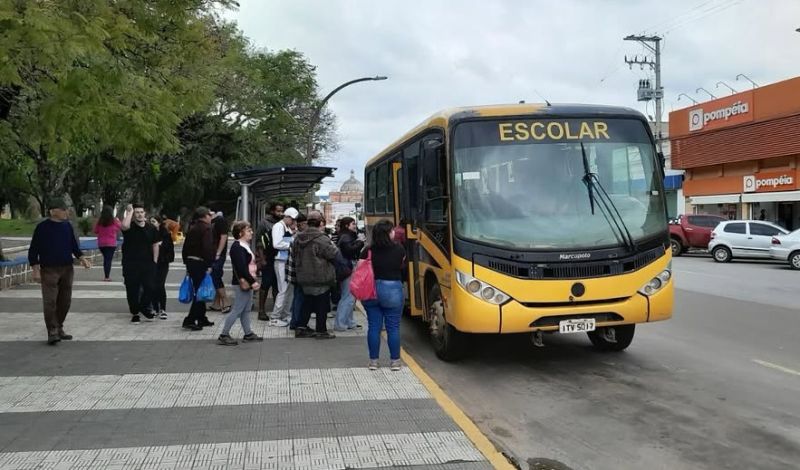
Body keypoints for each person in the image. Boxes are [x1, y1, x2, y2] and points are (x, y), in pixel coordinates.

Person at [28, 198, 92, 344]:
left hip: (67, 269)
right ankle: (52, 331)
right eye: (63, 209)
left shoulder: (67, 226)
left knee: (65, 301)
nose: (66, 212)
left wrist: (82, 259)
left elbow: (74, 246)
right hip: (49, 269)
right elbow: (33, 250)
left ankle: (59, 326)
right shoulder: (42, 228)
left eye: (66, 209)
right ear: (53, 211)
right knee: (50, 301)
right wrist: (35, 270)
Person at [361, 219, 407, 371]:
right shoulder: (399, 249)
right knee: (393, 328)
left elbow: (360, 271)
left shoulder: (367, 250)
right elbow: (402, 268)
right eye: (392, 230)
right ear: (389, 233)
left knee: (374, 327)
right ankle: (395, 362)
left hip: (370, 290)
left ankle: (373, 362)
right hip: (392, 289)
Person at [218, 221, 264, 345]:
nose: (252, 232)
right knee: (238, 309)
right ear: (240, 233)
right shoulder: (238, 247)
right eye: (248, 230)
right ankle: (224, 334)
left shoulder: (243, 245)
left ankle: (248, 333)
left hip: (246, 281)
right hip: (242, 282)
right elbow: (241, 268)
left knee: (246, 309)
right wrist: (252, 281)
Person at [294, 211, 338, 339]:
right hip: (321, 276)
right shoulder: (322, 239)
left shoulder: (298, 238)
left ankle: (301, 327)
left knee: (307, 303)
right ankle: (321, 330)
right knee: (322, 305)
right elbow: (333, 254)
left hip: (303, 276)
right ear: (320, 223)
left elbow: (294, 254)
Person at [120, 204, 160, 324]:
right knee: (132, 289)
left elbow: (155, 244)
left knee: (150, 287)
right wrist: (129, 212)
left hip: (147, 263)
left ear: (145, 214)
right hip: (130, 263)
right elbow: (124, 225)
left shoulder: (151, 228)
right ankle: (135, 313)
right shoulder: (129, 227)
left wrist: (155, 261)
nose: (139, 214)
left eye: (141, 212)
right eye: (137, 212)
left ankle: (143, 306)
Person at [182, 206, 216, 330]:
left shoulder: (193, 227)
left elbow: (185, 247)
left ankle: (201, 318)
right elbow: (207, 248)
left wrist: (186, 261)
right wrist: (210, 263)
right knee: (200, 291)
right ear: (205, 216)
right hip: (200, 262)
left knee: (199, 289)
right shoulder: (206, 228)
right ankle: (190, 319)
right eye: (210, 215)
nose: (211, 217)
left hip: (191, 261)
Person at [269, 206, 299, 327]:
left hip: (286, 260)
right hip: (281, 261)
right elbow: (276, 244)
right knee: (283, 289)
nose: (294, 222)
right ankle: (275, 317)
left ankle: (285, 314)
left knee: (289, 290)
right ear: (287, 217)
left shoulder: (285, 227)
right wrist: (291, 244)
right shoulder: (278, 226)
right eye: (293, 220)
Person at [334, 217, 364, 332]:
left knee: (350, 296)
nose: (355, 225)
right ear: (347, 225)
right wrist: (360, 242)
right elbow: (349, 251)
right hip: (347, 267)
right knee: (348, 296)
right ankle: (340, 323)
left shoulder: (345, 236)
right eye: (352, 224)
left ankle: (349, 321)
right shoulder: (346, 237)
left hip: (346, 267)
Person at [255, 202, 283, 320]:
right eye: (278, 211)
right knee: (266, 284)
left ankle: (277, 311)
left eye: (282, 211)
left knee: (278, 285)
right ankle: (261, 310)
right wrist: (262, 258)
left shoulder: (282, 223)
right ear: (272, 211)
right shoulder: (264, 223)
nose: (280, 213)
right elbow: (259, 242)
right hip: (268, 257)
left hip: (280, 257)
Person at [286, 212, 308, 330]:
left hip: (293, 272)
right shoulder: (300, 238)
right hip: (300, 273)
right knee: (300, 298)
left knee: (297, 297)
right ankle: (296, 322)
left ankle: (295, 321)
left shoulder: (294, 236)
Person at [152, 215, 175, 320]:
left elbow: (170, 249)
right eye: (150, 221)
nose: (152, 223)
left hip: (162, 263)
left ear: (159, 223)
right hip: (151, 263)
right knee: (152, 285)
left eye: (154, 221)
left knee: (160, 285)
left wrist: (160, 246)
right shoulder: (148, 233)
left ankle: (163, 309)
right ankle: (155, 308)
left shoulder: (165, 234)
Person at [209, 210, 231, 313]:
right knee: (216, 275)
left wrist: (218, 252)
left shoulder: (220, 221)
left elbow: (223, 237)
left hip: (217, 254)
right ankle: (216, 303)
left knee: (215, 275)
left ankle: (225, 301)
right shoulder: (211, 221)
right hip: (213, 253)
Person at [93, 206, 121, 282]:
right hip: (111, 244)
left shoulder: (100, 221)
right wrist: (118, 221)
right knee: (108, 260)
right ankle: (107, 276)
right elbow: (120, 227)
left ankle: (106, 275)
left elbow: (95, 231)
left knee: (106, 259)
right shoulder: (114, 221)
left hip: (101, 244)